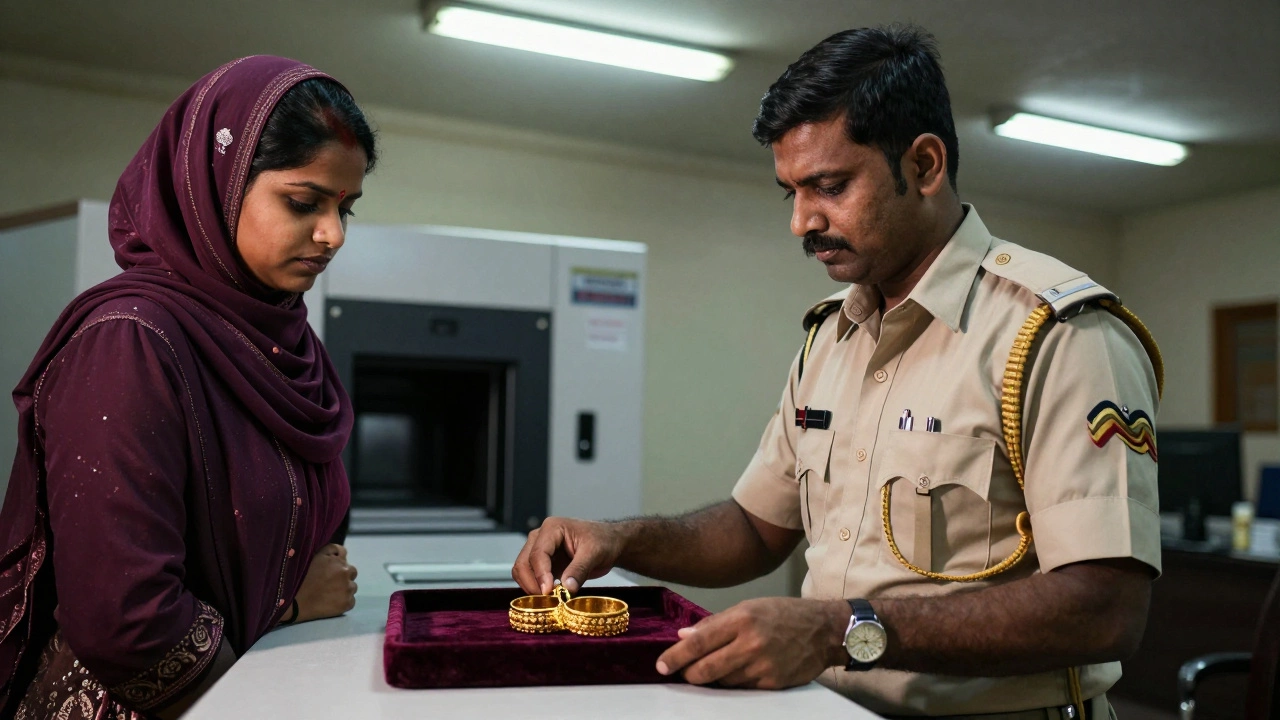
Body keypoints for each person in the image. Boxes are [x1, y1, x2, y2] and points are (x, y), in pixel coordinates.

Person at [512, 25, 1163, 718]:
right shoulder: (833, 333)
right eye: (790, 192)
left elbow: (1103, 609)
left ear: (924, 165)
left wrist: (838, 630)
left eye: (828, 186)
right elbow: (755, 529)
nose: (800, 222)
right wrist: (621, 539)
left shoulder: (1056, 334)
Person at [0, 56, 375, 719]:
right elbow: (126, 620)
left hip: (275, 685)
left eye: (346, 207)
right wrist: (288, 607)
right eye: (303, 202)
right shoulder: (129, 340)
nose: (333, 235)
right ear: (218, 183)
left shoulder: (287, 344)